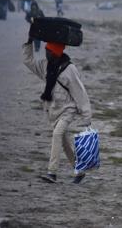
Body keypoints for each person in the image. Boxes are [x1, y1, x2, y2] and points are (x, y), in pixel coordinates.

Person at [23, 40, 92, 184]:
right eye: (46, 51)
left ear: (56, 53)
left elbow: (80, 93)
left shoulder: (70, 69)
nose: (46, 54)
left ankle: (52, 173)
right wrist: (29, 43)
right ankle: (80, 170)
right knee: (65, 142)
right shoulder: (45, 66)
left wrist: (86, 116)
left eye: (49, 51)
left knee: (57, 134)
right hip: (53, 111)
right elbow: (28, 61)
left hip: (68, 110)